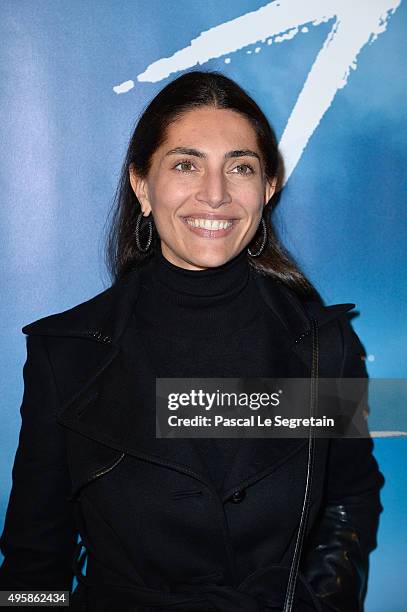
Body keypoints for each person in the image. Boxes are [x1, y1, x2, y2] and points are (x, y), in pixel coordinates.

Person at [0, 70, 384, 612]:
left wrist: (322, 603)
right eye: (186, 164)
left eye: (241, 168)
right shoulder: (68, 352)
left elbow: (349, 501)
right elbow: (32, 557)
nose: (216, 194)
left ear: (268, 188)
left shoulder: (324, 346)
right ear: (142, 184)